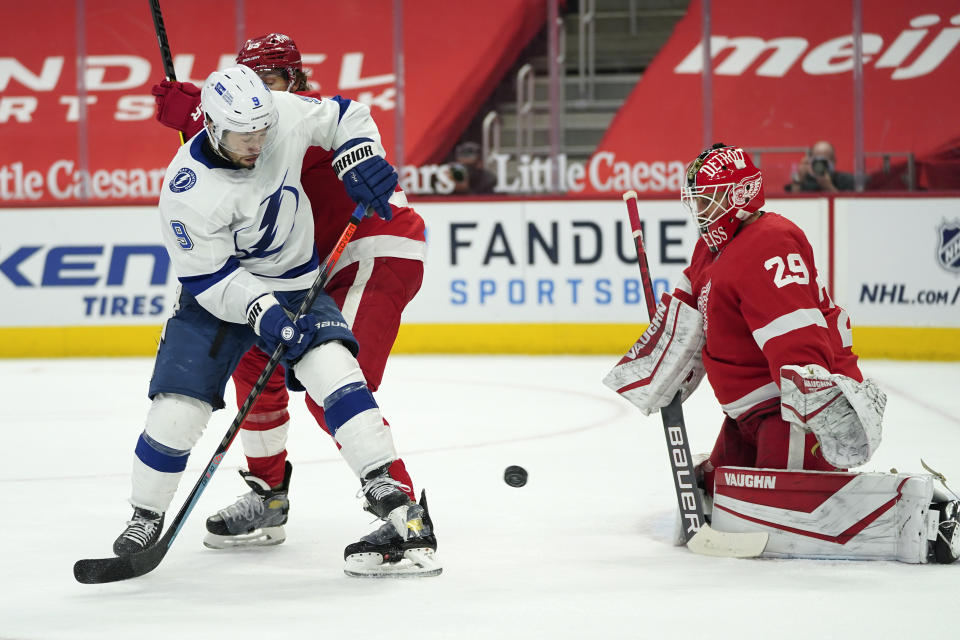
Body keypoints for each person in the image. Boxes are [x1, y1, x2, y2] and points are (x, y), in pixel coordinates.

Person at [110, 63, 440, 578]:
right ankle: (145, 516)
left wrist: (361, 156)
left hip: (293, 283)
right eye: (243, 136)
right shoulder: (185, 189)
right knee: (177, 409)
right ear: (213, 128)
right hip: (218, 297)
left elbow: (346, 115)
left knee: (337, 374)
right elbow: (209, 279)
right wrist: (259, 310)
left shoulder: (281, 115)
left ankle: (392, 499)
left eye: (262, 132)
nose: (258, 145)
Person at [605, 143, 958, 564]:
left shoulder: (768, 242)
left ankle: (928, 512)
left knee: (779, 518)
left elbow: (798, 332)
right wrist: (662, 365)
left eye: (707, 199)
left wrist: (814, 403)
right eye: (696, 200)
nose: (699, 209)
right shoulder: (711, 249)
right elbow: (687, 318)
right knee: (719, 495)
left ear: (739, 195)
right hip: (746, 418)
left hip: (789, 413)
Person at [784, 140, 856, 192]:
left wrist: (829, 187)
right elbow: (792, 204)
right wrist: (798, 179)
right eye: (816, 161)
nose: (820, 166)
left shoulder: (846, 180)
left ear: (834, 161)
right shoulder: (804, 181)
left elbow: (846, 207)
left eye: (824, 161)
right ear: (810, 161)